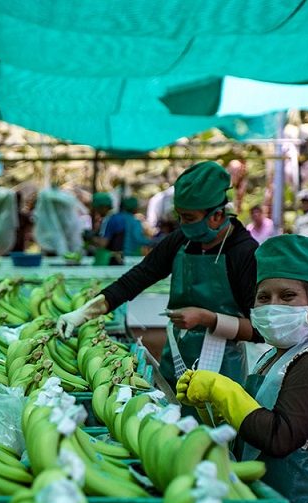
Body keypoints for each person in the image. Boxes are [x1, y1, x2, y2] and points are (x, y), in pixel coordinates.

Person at [176, 234, 308, 503]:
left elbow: (280, 436)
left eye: (288, 296)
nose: (273, 306)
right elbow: (254, 422)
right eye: (263, 297)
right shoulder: (273, 357)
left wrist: (224, 391)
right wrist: (214, 409)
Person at [57, 161, 260, 389]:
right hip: (177, 358)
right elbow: (138, 277)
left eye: (189, 218)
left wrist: (208, 319)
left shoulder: (244, 252)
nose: (182, 225)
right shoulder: (182, 241)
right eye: (179, 217)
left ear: (217, 215)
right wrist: (84, 312)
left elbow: (259, 330)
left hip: (223, 368)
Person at [100, 196, 151, 263]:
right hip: (131, 258)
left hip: (115, 258)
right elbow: (139, 239)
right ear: (135, 208)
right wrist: (153, 242)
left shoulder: (113, 218)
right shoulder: (135, 222)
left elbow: (105, 241)